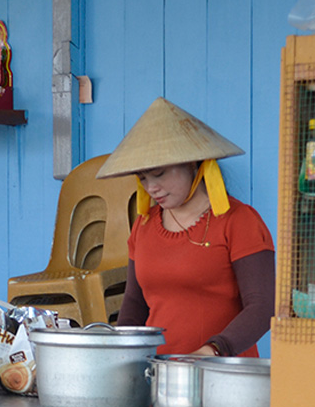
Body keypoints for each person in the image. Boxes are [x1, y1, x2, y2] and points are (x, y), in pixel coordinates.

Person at [97, 97, 275, 357]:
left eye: (158, 174)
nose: (151, 188)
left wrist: (213, 350)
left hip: (225, 375)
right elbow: (135, 305)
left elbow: (263, 306)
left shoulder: (240, 221)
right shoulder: (143, 226)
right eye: (143, 178)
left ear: (193, 162)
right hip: (158, 373)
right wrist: (120, 354)